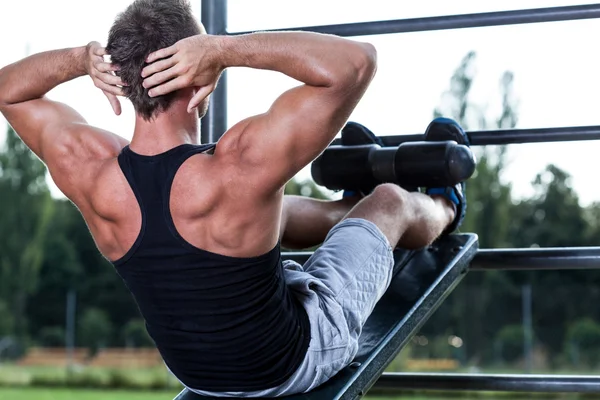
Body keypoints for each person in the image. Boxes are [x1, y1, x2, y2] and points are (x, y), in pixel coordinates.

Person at [0, 0, 468, 397]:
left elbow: (8, 91)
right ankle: (445, 206)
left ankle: (348, 209)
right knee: (389, 201)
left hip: (198, 376)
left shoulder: (88, 166)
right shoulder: (237, 165)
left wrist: (81, 60)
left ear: (120, 77)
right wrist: (224, 49)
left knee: (262, 213)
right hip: (290, 363)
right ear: (198, 77)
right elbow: (356, 62)